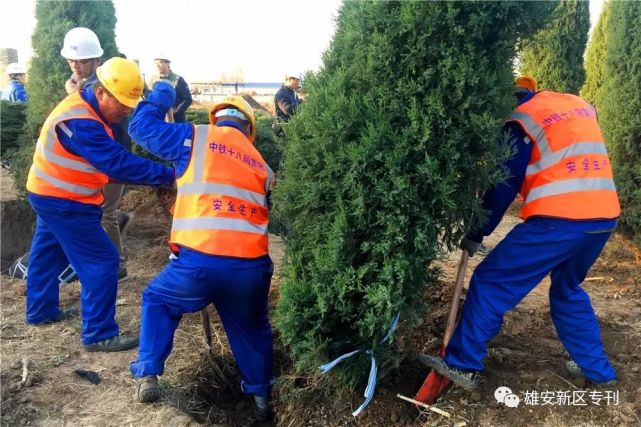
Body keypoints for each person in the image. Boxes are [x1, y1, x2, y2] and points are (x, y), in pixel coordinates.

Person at [420, 76, 621, 390]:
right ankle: (598, 371)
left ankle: (462, 363)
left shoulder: (521, 121)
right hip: (604, 217)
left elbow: (504, 183)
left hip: (560, 220)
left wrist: (478, 231)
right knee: (567, 289)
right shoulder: (574, 104)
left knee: (490, 282)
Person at [128, 81, 276, 422]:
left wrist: (164, 93)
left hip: (199, 262)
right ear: (249, 128)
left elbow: (140, 128)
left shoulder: (194, 137)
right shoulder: (261, 164)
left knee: (158, 299)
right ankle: (261, 401)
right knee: (253, 329)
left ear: (217, 118)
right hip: (251, 269)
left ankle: (149, 373)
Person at [25, 57, 175, 352]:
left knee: (46, 254)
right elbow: (116, 163)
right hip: (65, 201)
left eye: (130, 104)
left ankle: (40, 311)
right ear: (102, 91)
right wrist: (168, 176)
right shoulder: (80, 121)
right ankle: (99, 333)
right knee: (103, 261)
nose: (126, 110)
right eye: (121, 103)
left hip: (47, 192)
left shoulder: (87, 107)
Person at [61, 27, 133, 281]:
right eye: (72, 60)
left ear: (97, 61)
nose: (76, 66)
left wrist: (74, 95)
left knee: (106, 212)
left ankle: (118, 267)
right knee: (103, 211)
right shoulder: (85, 85)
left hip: (112, 158)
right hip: (98, 160)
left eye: (82, 61)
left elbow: (97, 122)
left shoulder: (101, 87)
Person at [146, 53, 192, 123]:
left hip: (176, 121)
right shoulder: (152, 80)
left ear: (168, 63)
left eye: (160, 62)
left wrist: (176, 112)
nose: (157, 65)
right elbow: (148, 97)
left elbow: (187, 99)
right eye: (155, 63)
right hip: (158, 119)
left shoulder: (178, 79)